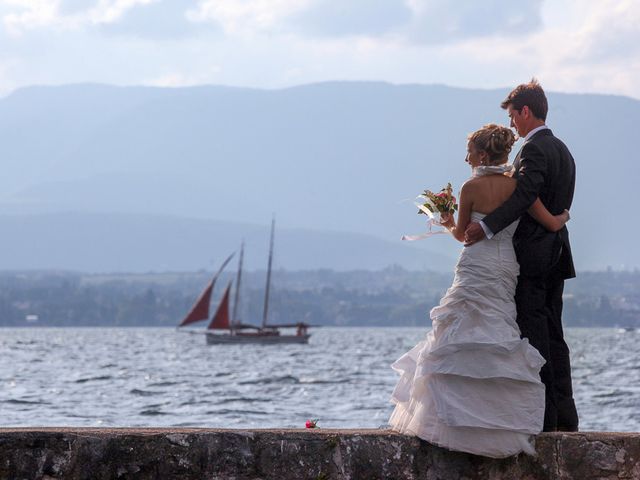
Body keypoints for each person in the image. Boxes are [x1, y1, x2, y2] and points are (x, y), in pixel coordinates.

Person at [388, 123, 569, 458]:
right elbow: (551, 222)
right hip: (504, 268)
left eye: (469, 151)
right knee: (498, 334)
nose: (466, 157)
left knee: (459, 335)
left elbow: (463, 236)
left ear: (482, 154)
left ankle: (454, 421)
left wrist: (444, 221)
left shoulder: (470, 187)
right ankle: (500, 419)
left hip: (475, 266)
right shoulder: (518, 186)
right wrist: (565, 214)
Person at [464, 80, 579, 432]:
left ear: (525, 111)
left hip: (532, 257)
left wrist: (485, 227)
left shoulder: (532, 151)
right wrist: (558, 222)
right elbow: (558, 202)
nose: (512, 124)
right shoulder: (563, 150)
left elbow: (524, 195)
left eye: (513, 116)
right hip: (557, 254)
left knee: (534, 333)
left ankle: (542, 416)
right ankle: (565, 414)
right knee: (555, 334)